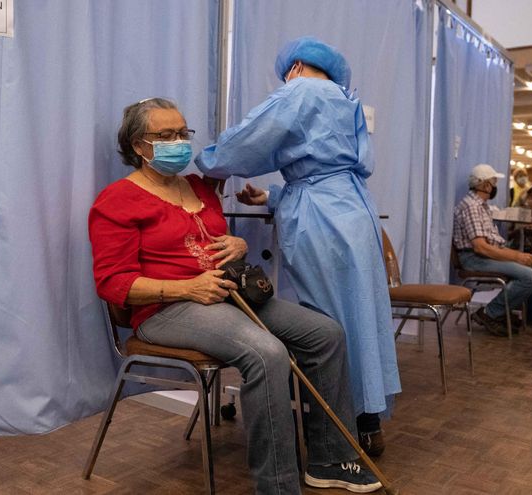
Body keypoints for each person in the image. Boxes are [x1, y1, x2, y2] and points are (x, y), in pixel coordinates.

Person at [88, 98, 381, 494]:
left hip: (226, 293)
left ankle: (329, 460)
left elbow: (214, 240)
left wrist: (238, 246)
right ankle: (276, 485)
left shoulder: (198, 187)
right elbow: (112, 283)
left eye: (183, 133)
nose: (179, 142)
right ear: (139, 146)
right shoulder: (117, 201)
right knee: (267, 353)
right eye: (166, 135)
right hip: (167, 308)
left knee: (325, 334)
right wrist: (186, 288)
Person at [196, 37, 400, 456]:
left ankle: (338, 425)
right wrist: (271, 197)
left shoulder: (301, 90)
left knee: (326, 318)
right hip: (352, 210)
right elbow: (323, 167)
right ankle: (367, 420)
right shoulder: (347, 99)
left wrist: (209, 162)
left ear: (294, 67)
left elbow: (251, 139)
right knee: (361, 314)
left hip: (323, 221)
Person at [453, 164, 532, 336]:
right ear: (485, 185)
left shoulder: (481, 206)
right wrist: (516, 256)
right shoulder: (472, 207)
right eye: (493, 183)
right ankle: (489, 313)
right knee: (530, 276)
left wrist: (515, 255)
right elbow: (481, 247)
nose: (495, 187)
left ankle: (501, 312)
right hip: (474, 258)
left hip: (484, 254)